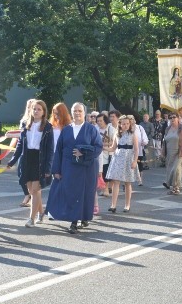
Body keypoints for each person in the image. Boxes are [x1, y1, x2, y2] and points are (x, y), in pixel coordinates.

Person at [46, 102, 103, 234]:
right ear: (71, 113)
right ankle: (74, 219)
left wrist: (83, 153)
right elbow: (59, 150)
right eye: (75, 111)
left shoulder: (91, 129)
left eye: (80, 111)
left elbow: (98, 147)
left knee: (84, 194)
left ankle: (78, 220)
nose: (77, 113)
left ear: (84, 113)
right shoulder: (66, 129)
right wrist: (56, 170)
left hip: (86, 169)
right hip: (69, 167)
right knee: (70, 193)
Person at [8, 99, 54, 227]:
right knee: (32, 191)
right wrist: (12, 161)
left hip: (40, 160)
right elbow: (20, 145)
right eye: (34, 109)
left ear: (44, 111)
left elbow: (50, 150)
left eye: (39, 109)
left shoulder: (48, 127)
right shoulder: (25, 124)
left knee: (35, 189)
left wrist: (48, 168)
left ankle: (31, 219)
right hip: (27, 159)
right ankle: (41, 212)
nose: (36, 111)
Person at [106, 115, 139, 213]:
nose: (125, 125)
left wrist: (135, 161)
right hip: (118, 158)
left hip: (129, 159)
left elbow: (136, 149)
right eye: (123, 124)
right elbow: (113, 148)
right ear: (120, 124)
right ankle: (113, 205)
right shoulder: (117, 134)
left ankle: (127, 205)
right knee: (116, 182)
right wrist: (103, 148)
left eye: (127, 124)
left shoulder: (133, 135)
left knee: (127, 182)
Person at [161, 113, 182, 195]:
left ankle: (176, 187)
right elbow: (164, 141)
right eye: (170, 117)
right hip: (169, 153)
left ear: (178, 118)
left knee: (176, 169)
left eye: (174, 117)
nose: (172, 119)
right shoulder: (167, 129)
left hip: (179, 152)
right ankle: (174, 188)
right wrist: (162, 152)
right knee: (170, 170)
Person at [96, 113, 116, 201]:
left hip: (108, 153)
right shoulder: (95, 129)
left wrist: (103, 145)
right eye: (98, 121)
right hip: (98, 153)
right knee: (100, 171)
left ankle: (106, 188)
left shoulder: (111, 129)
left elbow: (114, 142)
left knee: (106, 170)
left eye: (101, 121)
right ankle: (102, 187)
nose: (99, 122)